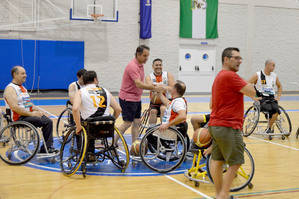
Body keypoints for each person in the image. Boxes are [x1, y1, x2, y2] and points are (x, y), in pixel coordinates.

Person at [208, 48, 256, 199]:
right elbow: (253, 92)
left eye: (240, 58)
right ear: (226, 59)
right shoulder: (231, 76)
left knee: (217, 161)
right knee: (236, 162)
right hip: (228, 126)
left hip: (215, 125)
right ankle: (223, 194)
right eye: (236, 58)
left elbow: (210, 104)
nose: (239, 61)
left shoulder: (220, 76)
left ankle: (218, 194)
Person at [4, 66, 57, 153]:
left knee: (48, 120)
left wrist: (38, 111)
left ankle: (47, 148)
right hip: (18, 118)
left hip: (26, 115)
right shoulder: (10, 88)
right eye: (22, 73)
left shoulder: (23, 88)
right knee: (45, 122)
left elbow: (28, 103)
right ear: (15, 75)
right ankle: (47, 148)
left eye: (25, 73)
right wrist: (32, 114)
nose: (25, 75)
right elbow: (15, 107)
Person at [117, 45, 163, 144]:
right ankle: (113, 142)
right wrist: (154, 88)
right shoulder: (132, 66)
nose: (147, 58)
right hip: (128, 98)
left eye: (147, 56)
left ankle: (135, 145)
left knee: (137, 122)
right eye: (145, 56)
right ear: (138, 54)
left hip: (136, 98)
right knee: (127, 123)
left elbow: (141, 84)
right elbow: (138, 84)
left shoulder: (140, 65)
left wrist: (153, 85)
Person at [72, 71, 121, 160]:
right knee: (89, 124)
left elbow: (75, 109)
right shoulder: (105, 91)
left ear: (84, 81)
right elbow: (118, 109)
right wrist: (111, 121)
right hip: (106, 125)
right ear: (95, 79)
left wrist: (78, 127)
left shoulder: (80, 92)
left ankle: (87, 155)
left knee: (82, 127)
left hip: (91, 126)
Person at [248, 59, 282, 134]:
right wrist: (253, 96)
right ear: (267, 65)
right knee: (269, 109)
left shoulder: (274, 76)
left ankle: (269, 128)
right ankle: (270, 125)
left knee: (276, 110)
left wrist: (278, 96)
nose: (274, 67)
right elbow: (247, 84)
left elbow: (279, 86)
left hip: (271, 98)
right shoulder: (258, 75)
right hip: (261, 98)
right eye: (273, 65)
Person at [145, 58, 175, 126]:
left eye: (160, 65)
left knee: (163, 109)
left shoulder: (168, 75)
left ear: (162, 66)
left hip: (166, 99)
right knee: (153, 111)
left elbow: (172, 88)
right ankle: (151, 130)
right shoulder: (149, 77)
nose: (158, 66)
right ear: (153, 66)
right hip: (155, 101)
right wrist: (162, 87)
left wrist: (159, 87)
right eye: (156, 65)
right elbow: (150, 86)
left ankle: (163, 129)